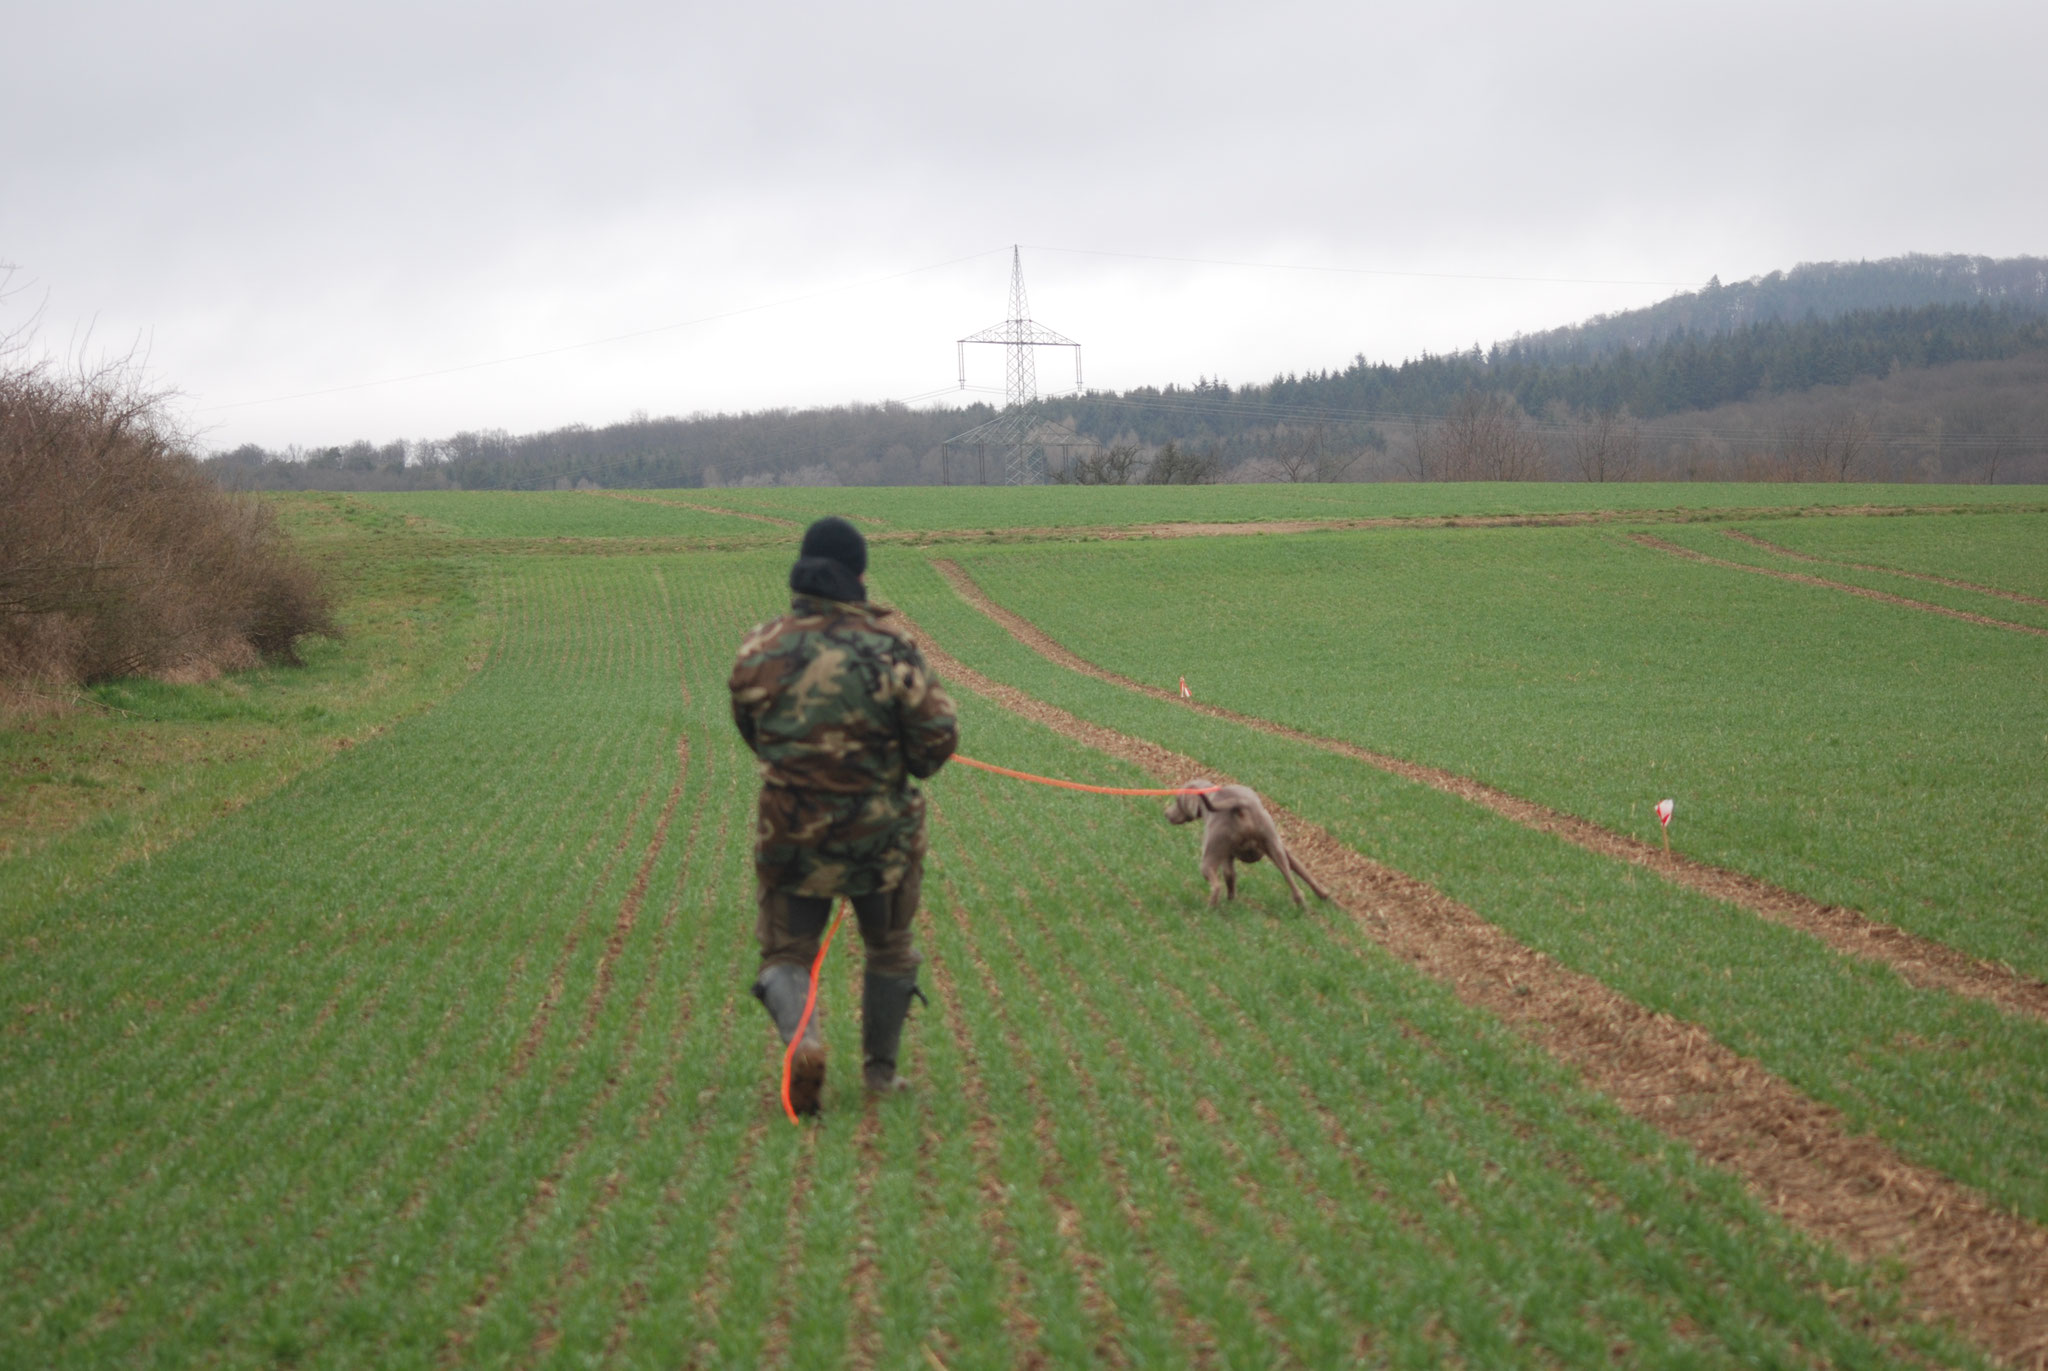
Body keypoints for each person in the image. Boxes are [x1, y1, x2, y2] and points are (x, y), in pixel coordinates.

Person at [728, 516, 958, 1115]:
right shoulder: (890, 651)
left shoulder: (759, 648)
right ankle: (880, 1076)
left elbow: (754, 733)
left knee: (786, 955)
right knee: (890, 948)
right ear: (858, 576)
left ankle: (803, 1042)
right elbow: (936, 744)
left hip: (790, 837)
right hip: (881, 841)